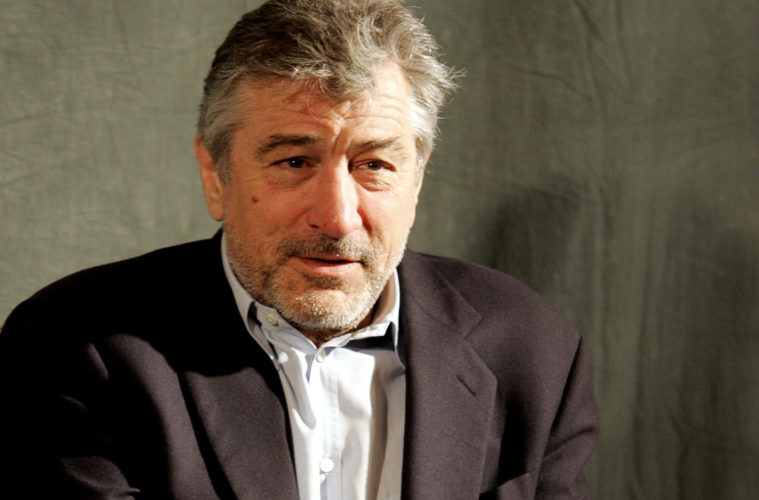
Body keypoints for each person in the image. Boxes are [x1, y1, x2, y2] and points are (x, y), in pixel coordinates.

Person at [0, 0, 597, 498]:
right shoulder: (73, 347)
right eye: (293, 161)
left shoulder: (535, 355)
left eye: (374, 164)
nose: (336, 218)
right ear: (216, 175)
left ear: (416, 180)